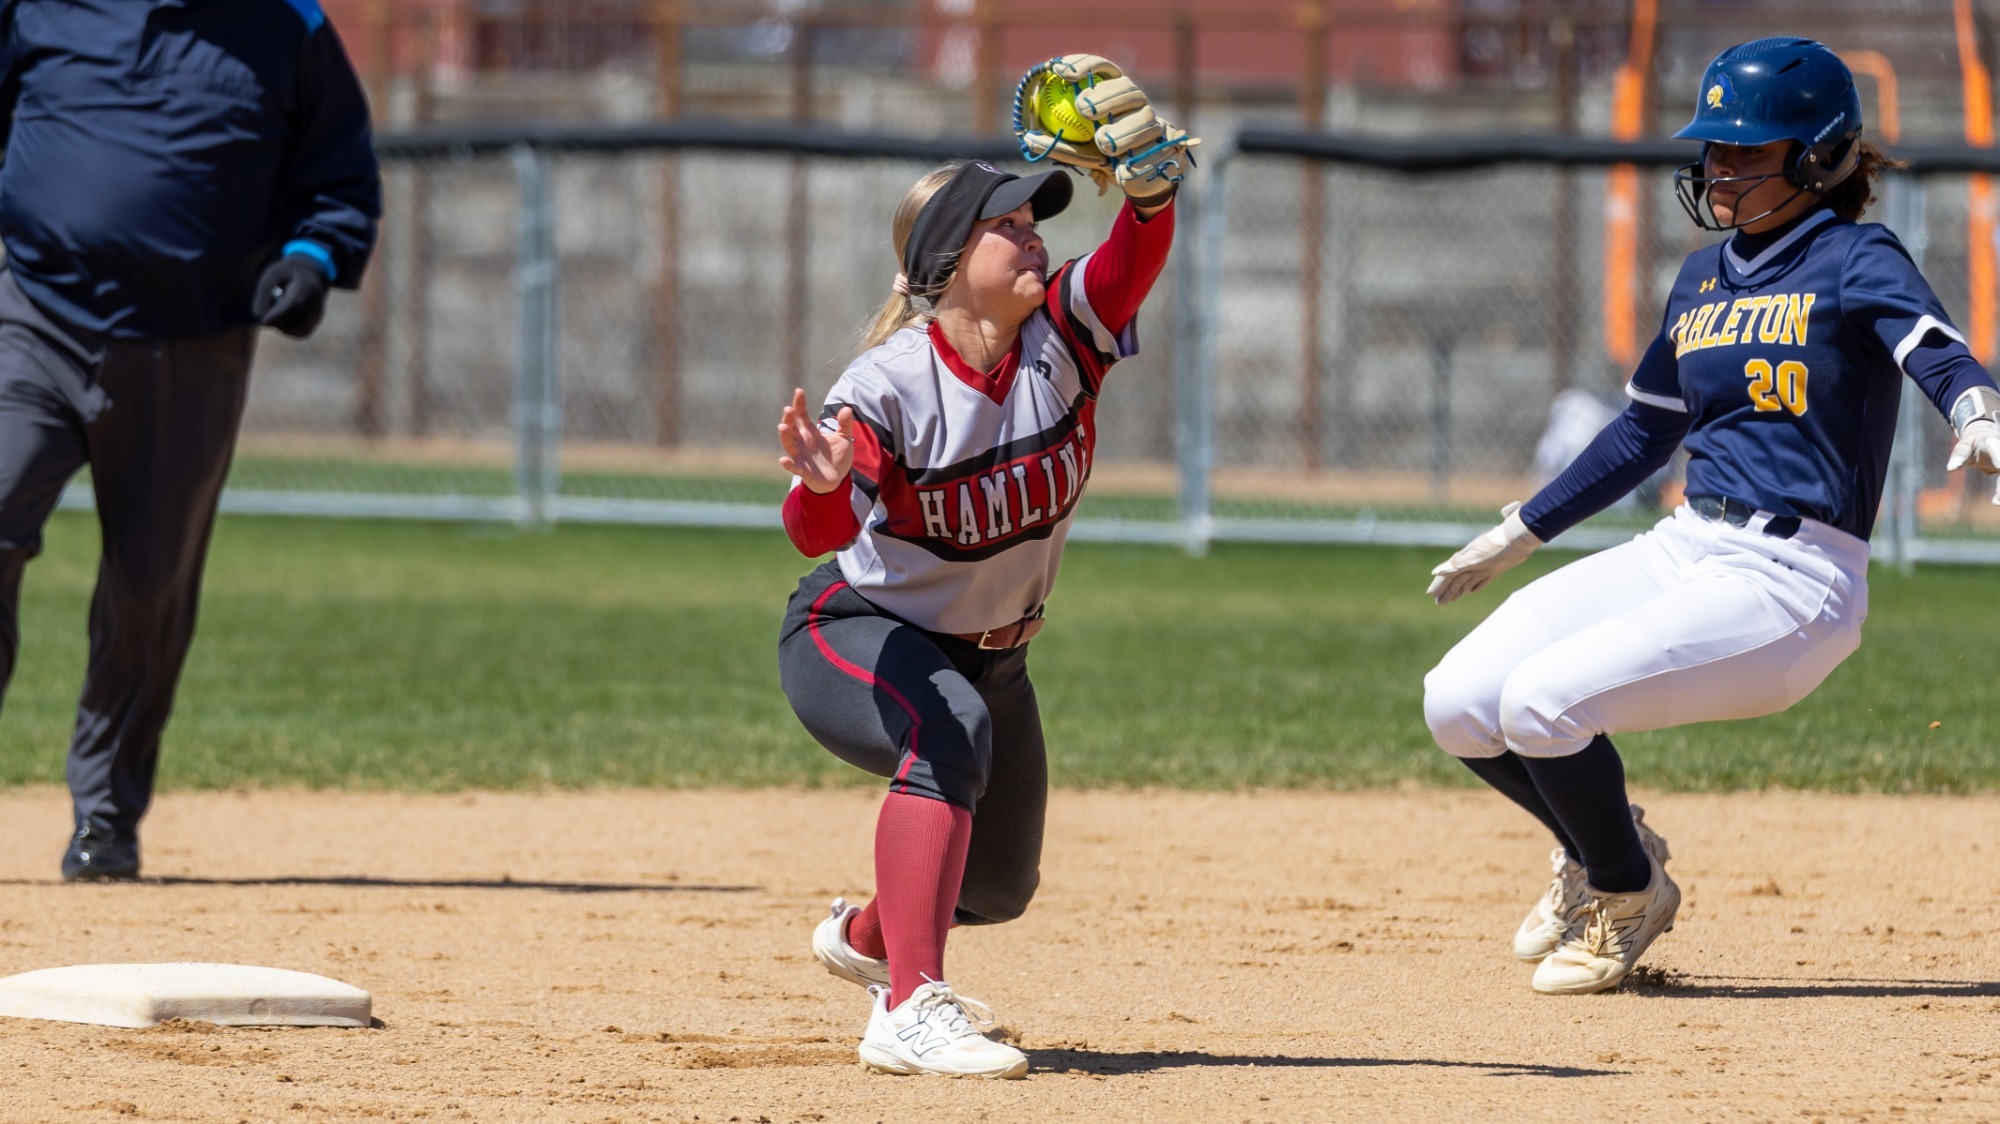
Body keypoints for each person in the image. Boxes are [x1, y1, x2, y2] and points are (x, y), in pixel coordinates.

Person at [1421, 37, 2000, 995]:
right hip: (1685, 543)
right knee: (1458, 701)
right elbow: (1641, 436)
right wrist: (1521, 529)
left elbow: (1930, 343)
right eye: (1714, 149)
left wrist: (1976, 409)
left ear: (1819, 158)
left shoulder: (1855, 254)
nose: (1719, 167)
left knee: (1541, 704)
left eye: (1747, 151)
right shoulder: (1700, 278)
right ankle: (1602, 843)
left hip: (1794, 580)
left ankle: (1624, 889)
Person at [774, 56, 1192, 1078]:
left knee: (998, 882)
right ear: (948, 261)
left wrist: (1149, 187)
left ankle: (871, 936)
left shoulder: (1061, 343)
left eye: (1032, 220)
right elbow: (813, 527)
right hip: (857, 632)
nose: (1032, 235)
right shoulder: (892, 380)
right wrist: (825, 481)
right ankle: (908, 1007)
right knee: (946, 733)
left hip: (996, 658)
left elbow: (1138, 250)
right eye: (1006, 226)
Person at [0, 0, 381, 880]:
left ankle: (105, 815)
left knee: (148, 586)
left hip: (194, 344)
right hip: (35, 320)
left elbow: (340, 182)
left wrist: (313, 260)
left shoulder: (289, 27)